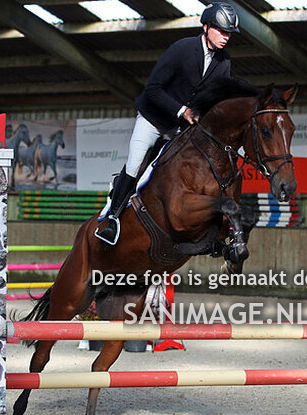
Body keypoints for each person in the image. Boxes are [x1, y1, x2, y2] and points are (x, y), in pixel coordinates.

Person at [94, 2, 240, 245]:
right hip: (154, 119)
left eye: (228, 34)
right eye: (222, 31)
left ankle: (209, 232)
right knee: (135, 165)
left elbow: (215, 98)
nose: (226, 38)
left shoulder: (224, 62)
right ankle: (112, 219)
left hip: (181, 128)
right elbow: (153, 89)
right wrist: (182, 110)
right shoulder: (181, 49)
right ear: (206, 27)